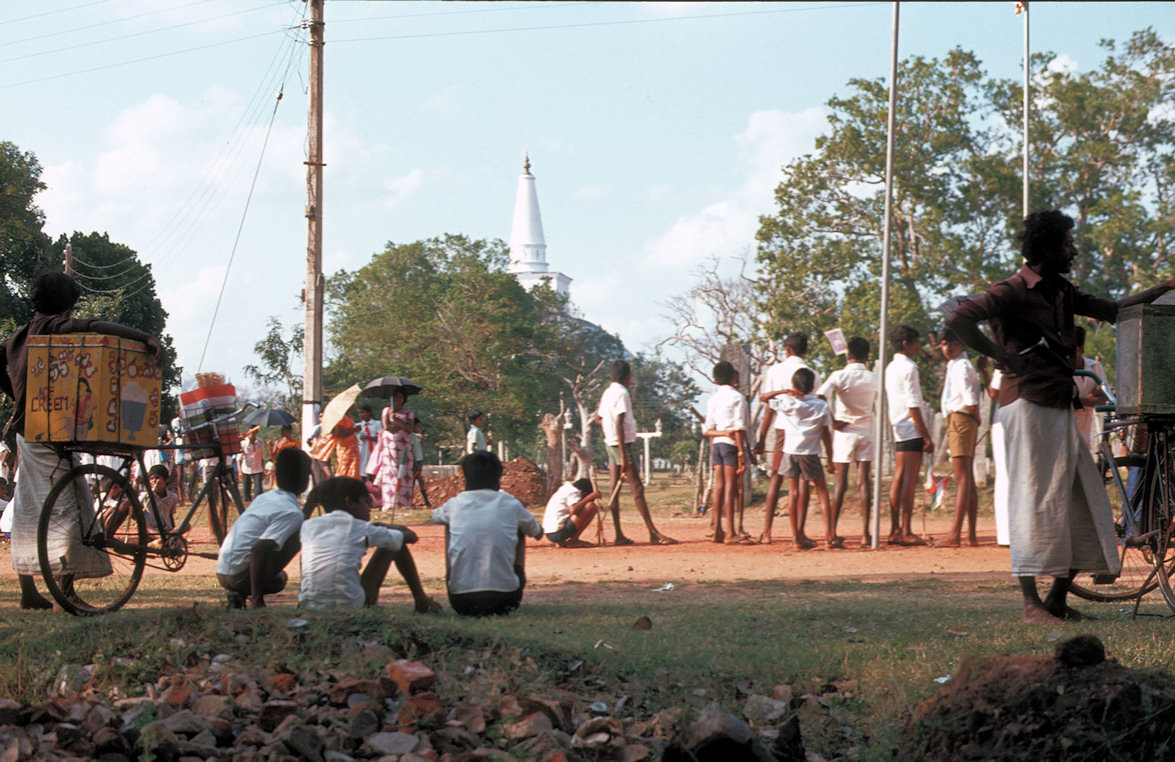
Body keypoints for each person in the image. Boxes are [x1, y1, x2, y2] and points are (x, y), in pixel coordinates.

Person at [947, 209, 1175, 623]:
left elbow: (1113, 309)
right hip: (1028, 406)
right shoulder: (1012, 289)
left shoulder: (1061, 290)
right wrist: (1003, 357)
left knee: (1081, 502)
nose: (1074, 249)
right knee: (1035, 500)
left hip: (1058, 403)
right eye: (1069, 243)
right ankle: (1031, 606)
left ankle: (1054, 601)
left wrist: (1162, 287)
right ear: (1049, 249)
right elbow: (959, 317)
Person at [0, 271, 164, 610]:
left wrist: (20, 398)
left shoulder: (18, 337)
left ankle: (30, 591)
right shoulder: (54, 327)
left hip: (26, 432)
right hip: (51, 434)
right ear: (67, 307)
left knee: (29, 508)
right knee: (70, 509)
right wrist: (146, 338)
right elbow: (97, 327)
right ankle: (66, 592)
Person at [298, 476, 440, 612]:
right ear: (350, 502)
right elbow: (410, 537)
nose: (369, 509)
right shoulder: (359, 527)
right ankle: (421, 600)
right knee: (395, 542)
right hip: (350, 605)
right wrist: (379, 525)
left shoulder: (308, 526)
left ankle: (421, 601)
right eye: (366, 502)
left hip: (309, 605)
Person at [432, 450, 543, 616]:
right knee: (519, 527)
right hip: (507, 600)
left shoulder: (454, 503)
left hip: (461, 602)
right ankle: (510, 577)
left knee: (448, 523)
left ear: (466, 478)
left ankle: (456, 578)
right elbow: (538, 532)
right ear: (498, 477)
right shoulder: (511, 503)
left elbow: (435, 517)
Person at [216, 448, 312, 609]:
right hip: (237, 576)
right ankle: (252, 597)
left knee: (279, 576)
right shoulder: (292, 512)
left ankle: (237, 595)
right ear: (304, 478)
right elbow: (259, 550)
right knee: (301, 536)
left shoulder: (265, 497)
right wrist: (257, 600)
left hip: (223, 572)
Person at [594, 359, 677, 545]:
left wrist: (608, 430)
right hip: (623, 445)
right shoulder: (622, 393)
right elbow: (619, 422)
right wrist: (624, 454)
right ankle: (653, 533)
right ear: (627, 377)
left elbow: (598, 419)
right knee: (637, 488)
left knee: (613, 489)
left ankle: (619, 535)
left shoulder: (608, 392)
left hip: (612, 443)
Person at [755, 333, 820, 544]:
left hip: (783, 428)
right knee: (802, 481)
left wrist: (762, 439)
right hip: (805, 432)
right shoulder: (812, 372)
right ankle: (798, 532)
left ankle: (766, 532)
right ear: (805, 350)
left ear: (787, 350)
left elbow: (768, 409)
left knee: (776, 477)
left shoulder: (774, 371)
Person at [762, 368, 837, 548]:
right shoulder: (820, 405)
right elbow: (825, 433)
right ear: (813, 386)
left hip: (790, 452)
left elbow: (763, 397)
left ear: (794, 385)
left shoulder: (788, 402)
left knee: (793, 493)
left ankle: (797, 537)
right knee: (822, 491)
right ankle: (830, 537)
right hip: (810, 453)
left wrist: (784, 391)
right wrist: (830, 456)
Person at [816, 337, 879, 546]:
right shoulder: (873, 377)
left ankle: (831, 533)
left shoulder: (839, 375)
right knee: (864, 482)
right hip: (866, 430)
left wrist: (832, 420)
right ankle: (865, 534)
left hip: (845, 432)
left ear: (847, 354)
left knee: (840, 485)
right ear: (867, 356)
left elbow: (820, 396)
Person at [884, 324, 933, 546]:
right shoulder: (910, 368)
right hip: (911, 426)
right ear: (906, 343)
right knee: (909, 481)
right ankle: (906, 530)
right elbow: (913, 404)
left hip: (898, 425)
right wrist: (926, 435)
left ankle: (895, 529)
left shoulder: (890, 367)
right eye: (915, 342)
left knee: (899, 476)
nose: (917, 347)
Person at [937, 328, 981, 547]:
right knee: (967, 477)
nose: (946, 349)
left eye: (950, 344)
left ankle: (955, 533)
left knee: (961, 477)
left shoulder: (962, 366)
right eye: (943, 344)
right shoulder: (955, 364)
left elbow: (969, 398)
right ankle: (970, 534)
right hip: (960, 418)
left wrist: (975, 413)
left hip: (961, 417)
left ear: (961, 344)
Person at [702, 360, 754, 544]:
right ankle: (731, 532)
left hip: (718, 445)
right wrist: (742, 453)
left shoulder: (713, 399)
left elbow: (707, 430)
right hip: (732, 445)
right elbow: (740, 429)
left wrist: (722, 433)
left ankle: (717, 530)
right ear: (734, 377)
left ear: (715, 380)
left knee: (720, 487)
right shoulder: (738, 398)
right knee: (731, 488)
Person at [369, 388, 415, 512]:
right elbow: (386, 427)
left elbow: (409, 429)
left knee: (404, 474)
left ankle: (404, 503)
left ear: (404, 399)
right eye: (395, 397)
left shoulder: (409, 413)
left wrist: (396, 421)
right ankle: (390, 503)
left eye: (400, 397)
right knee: (391, 474)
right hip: (390, 449)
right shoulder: (387, 411)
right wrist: (396, 423)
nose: (397, 400)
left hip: (405, 448)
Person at [1072, 326, 1108, 453]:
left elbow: (1105, 398)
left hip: (1086, 431)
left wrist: (1077, 401)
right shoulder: (1060, 370)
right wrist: (1090, 399)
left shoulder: (1095, 367)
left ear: (1080, 349)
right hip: (1065, 431)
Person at [542, 477, 601, 548]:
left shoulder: (565, 489)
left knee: (583, 507)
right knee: (591, 506)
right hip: (557, 534)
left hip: (550, 534)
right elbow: (573, 510)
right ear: (584, 493)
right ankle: (574, 541)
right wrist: (589, 497)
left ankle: (561, 541)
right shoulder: (574, 492)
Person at [309, 406, 360, 479]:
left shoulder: (349, 416)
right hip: (345, 448)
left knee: (353, 468)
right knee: (345, 468)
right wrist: (354, 430)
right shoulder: (341, 418)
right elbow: (338, 433)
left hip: (353, 447)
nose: (354, 405)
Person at [238, 426, 265, 502]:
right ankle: (247, 502)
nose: (252, 434)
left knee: (258, 488)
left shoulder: (260, 442)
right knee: (246, 489)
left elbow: (262, 457)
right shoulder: (243, 443)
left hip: (257, 467)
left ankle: (258, 502)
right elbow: (239, 458)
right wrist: (240, 470)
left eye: (254, 432)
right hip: (246, 468)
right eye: (251, 432)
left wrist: (263, 470)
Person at [355, 404, 382, 475]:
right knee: (362, 471)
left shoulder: (377, 424)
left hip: (374, 450)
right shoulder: (358, 426)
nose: (360, 415)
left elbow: (380, 438)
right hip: (363, 451)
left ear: (368, 413)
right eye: (359, 413)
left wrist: (368, 437)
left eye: (362, 412)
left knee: (374, 471)